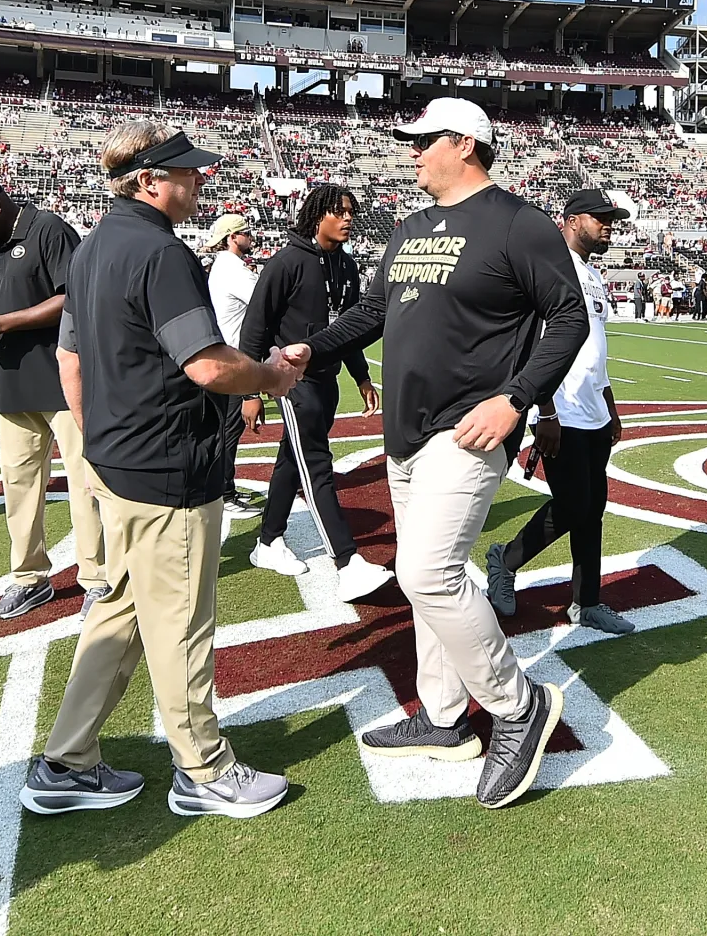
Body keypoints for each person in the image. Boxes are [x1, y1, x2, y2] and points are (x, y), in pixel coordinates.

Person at [297, 98, 588, 809]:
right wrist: (312, 348)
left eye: (423, 141)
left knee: (427, 571)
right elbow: (373, 314)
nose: (411, 151)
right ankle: (445, 718)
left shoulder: (519, 224)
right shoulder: (410, 227)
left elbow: (569, 317)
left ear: (465, 143)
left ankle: (517, 705)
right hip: (405, 429)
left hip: (469, 428)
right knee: (430, 573)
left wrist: (516, 398)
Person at [22, 122, 305, 820]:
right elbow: (207, 364)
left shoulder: (93, 247)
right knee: (179, 622)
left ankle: (67, 760)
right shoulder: (158, 251)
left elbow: (71, 360)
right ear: (149, 180)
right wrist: (269, 376)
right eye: (188, 173)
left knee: (118, 611)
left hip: (119, 460)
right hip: (169, 463)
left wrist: (98, 440)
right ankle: (204, 769)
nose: (200, 181)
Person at [0, 172, 107, 620]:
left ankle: (97, 577)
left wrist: (1, 324)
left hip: (63, 379)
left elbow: (73, 298)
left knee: (84, 484)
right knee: (19, 485)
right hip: (13, 383)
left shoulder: (48, 229)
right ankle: (29, 577)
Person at [486, 189, 631, 634]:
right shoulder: (546, 266)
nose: (609, 224)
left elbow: (595, 351)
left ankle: (587, 602)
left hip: (592, 412)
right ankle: (505, 560)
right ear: (569, 219)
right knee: (573, 505)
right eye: (600, 217)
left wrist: (609, 407)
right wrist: (544, 410)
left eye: (613, 218)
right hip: (559, 411)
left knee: (593, 508)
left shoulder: (592, 274)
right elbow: (535, 345)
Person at [240, 184, 391, 602]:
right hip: (293, 382)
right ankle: (347, 562)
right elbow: (255, 328)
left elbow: (351, 327)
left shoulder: (346, 266)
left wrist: (361, 377)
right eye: (339, 212)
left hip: (326, 381)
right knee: (317, 468)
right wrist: (250, 391)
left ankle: (268, 542)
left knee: (294, 461)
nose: (348, 220)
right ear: (317, 215)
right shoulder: (286, 262)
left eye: (351, 213)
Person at [205, 213, 261, 519]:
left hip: (226, 356)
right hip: (234, 360)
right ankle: (223, 493)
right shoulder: (234, 269)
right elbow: (263, 300)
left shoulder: (224, 267)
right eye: (245, 233)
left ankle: (223, 488)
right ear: (232, 238)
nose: (250, 237)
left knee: (226, 429)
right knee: (229, 430)